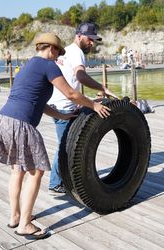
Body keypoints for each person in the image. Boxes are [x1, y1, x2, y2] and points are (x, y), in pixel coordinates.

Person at [0, 32, 111, 239]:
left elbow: (38, 102)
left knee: (18, 170)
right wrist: (94, 105)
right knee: (36, 172)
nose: (58, 57)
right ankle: (25, 224)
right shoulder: (49, 65)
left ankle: (14, 216)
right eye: (58, 52)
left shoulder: (28, 65)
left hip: (3, 119)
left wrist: (62, 116)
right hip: (21, 124)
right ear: (51, 48)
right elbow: (71, 93)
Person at [47, 22, 118, 195]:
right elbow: (81, 76)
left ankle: (63, 178)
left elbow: (70, 79)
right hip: (64, 106)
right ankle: (55, 183)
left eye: (94, 40)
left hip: (57, 102)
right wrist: (102, 87)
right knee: (65, 145)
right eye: (89, 39)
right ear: (79, 36)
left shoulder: (66, 51)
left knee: (68, 143)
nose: (92, 43)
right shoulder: (77, 52)